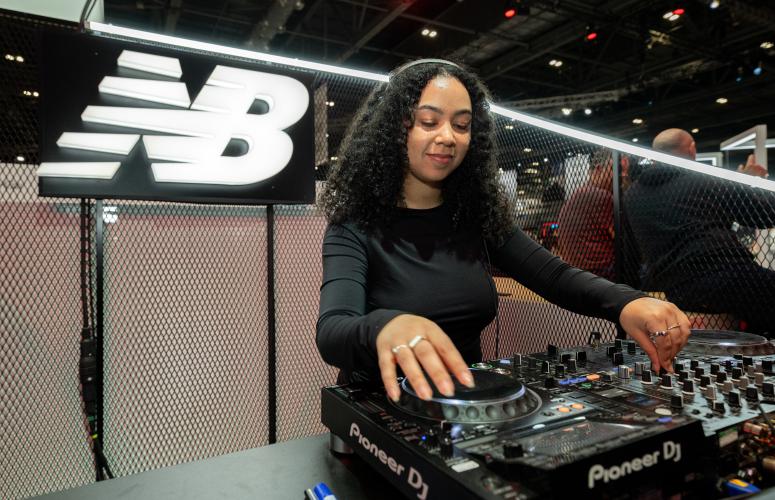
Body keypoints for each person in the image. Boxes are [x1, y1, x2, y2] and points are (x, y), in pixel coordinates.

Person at [316, 59, 691, 402]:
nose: (448, 136)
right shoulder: (353, 227)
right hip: (380, 407)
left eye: (462, 125)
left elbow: (554, 276)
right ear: (394, 129)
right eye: (428, 121)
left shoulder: (475, 217)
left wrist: (627, 302)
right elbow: (333, 330)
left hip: (465, 405)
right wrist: (386, 326)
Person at [625, 128, 775, 334]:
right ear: (692, 149)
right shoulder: (702, 178)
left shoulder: (633, 194)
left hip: (674, 287)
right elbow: (762, 213)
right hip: (725, 274)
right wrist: (755, 183)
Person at [556, 149, 629, 281]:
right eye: (617, 169)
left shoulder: (580, 193)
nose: (624, 175)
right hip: (604, 274)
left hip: (581, 275)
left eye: (625, 170)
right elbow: (623, 241)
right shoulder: (601, 196)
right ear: (599, 169)